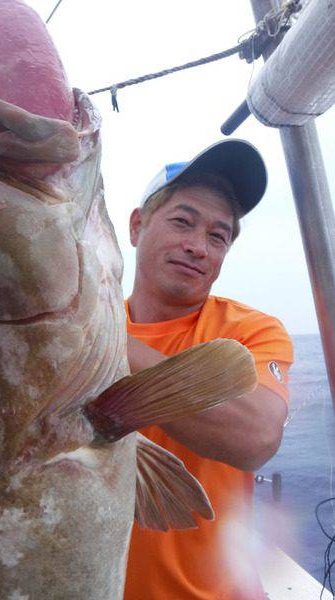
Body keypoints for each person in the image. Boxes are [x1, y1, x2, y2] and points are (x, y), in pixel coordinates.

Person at [123, 139, 294, 600]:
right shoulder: (79, 331)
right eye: (182, 221)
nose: (197, 246)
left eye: (218, 236)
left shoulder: (250, 331)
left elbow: (255, 437)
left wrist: (100, 339)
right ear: (138, 226)